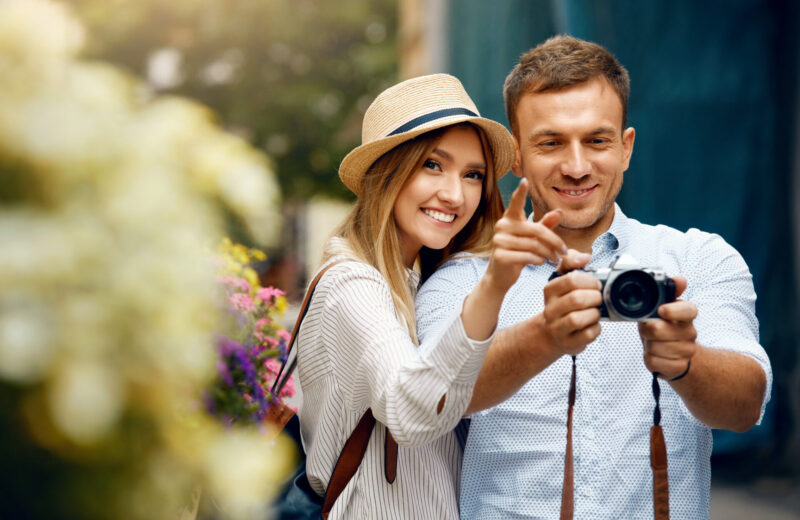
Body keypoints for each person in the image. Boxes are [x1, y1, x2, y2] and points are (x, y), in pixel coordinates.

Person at [416, 36, 772, 519]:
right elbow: (434, 400)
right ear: (517, 156)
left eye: (597, 140)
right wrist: (544, 334)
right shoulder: (466, 278)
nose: (577, 166)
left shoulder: (699, 257)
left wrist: (687, 362)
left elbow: (746, 407)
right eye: (551, 143)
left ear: (625, 148)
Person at [295, 73, 565, 519]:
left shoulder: (414, 279)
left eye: (473, 174)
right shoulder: (353, 285)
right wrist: (495, 286)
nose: (454, 194)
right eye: (432, 165)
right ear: (387, 172)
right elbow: (411, 411)